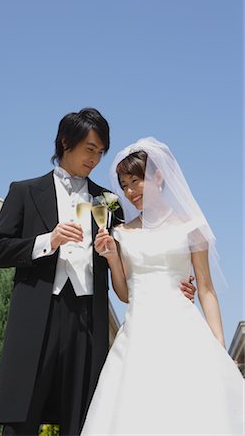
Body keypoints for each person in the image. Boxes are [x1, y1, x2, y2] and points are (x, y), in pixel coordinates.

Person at [0, 114, 196, 436]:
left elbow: (131, 259)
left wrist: (174, 284)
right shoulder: (24, 192)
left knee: (83, 415)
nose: (95, 159)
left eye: (100, 152)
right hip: (38, 314)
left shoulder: (108, 202)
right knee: (22, 416)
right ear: (65, 143)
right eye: (90, 149)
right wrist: (48, 241)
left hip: (88, 317)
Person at [81, 137, 244, 435]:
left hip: (183, 327)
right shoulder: (121, 233)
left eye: (136, 181)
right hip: (138, 330)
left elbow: (206, 289)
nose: (130, 191)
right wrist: (112, 258)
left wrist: (218, 346)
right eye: (124, 184)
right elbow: (125, 294)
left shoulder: (191, 227)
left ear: (158, 176)